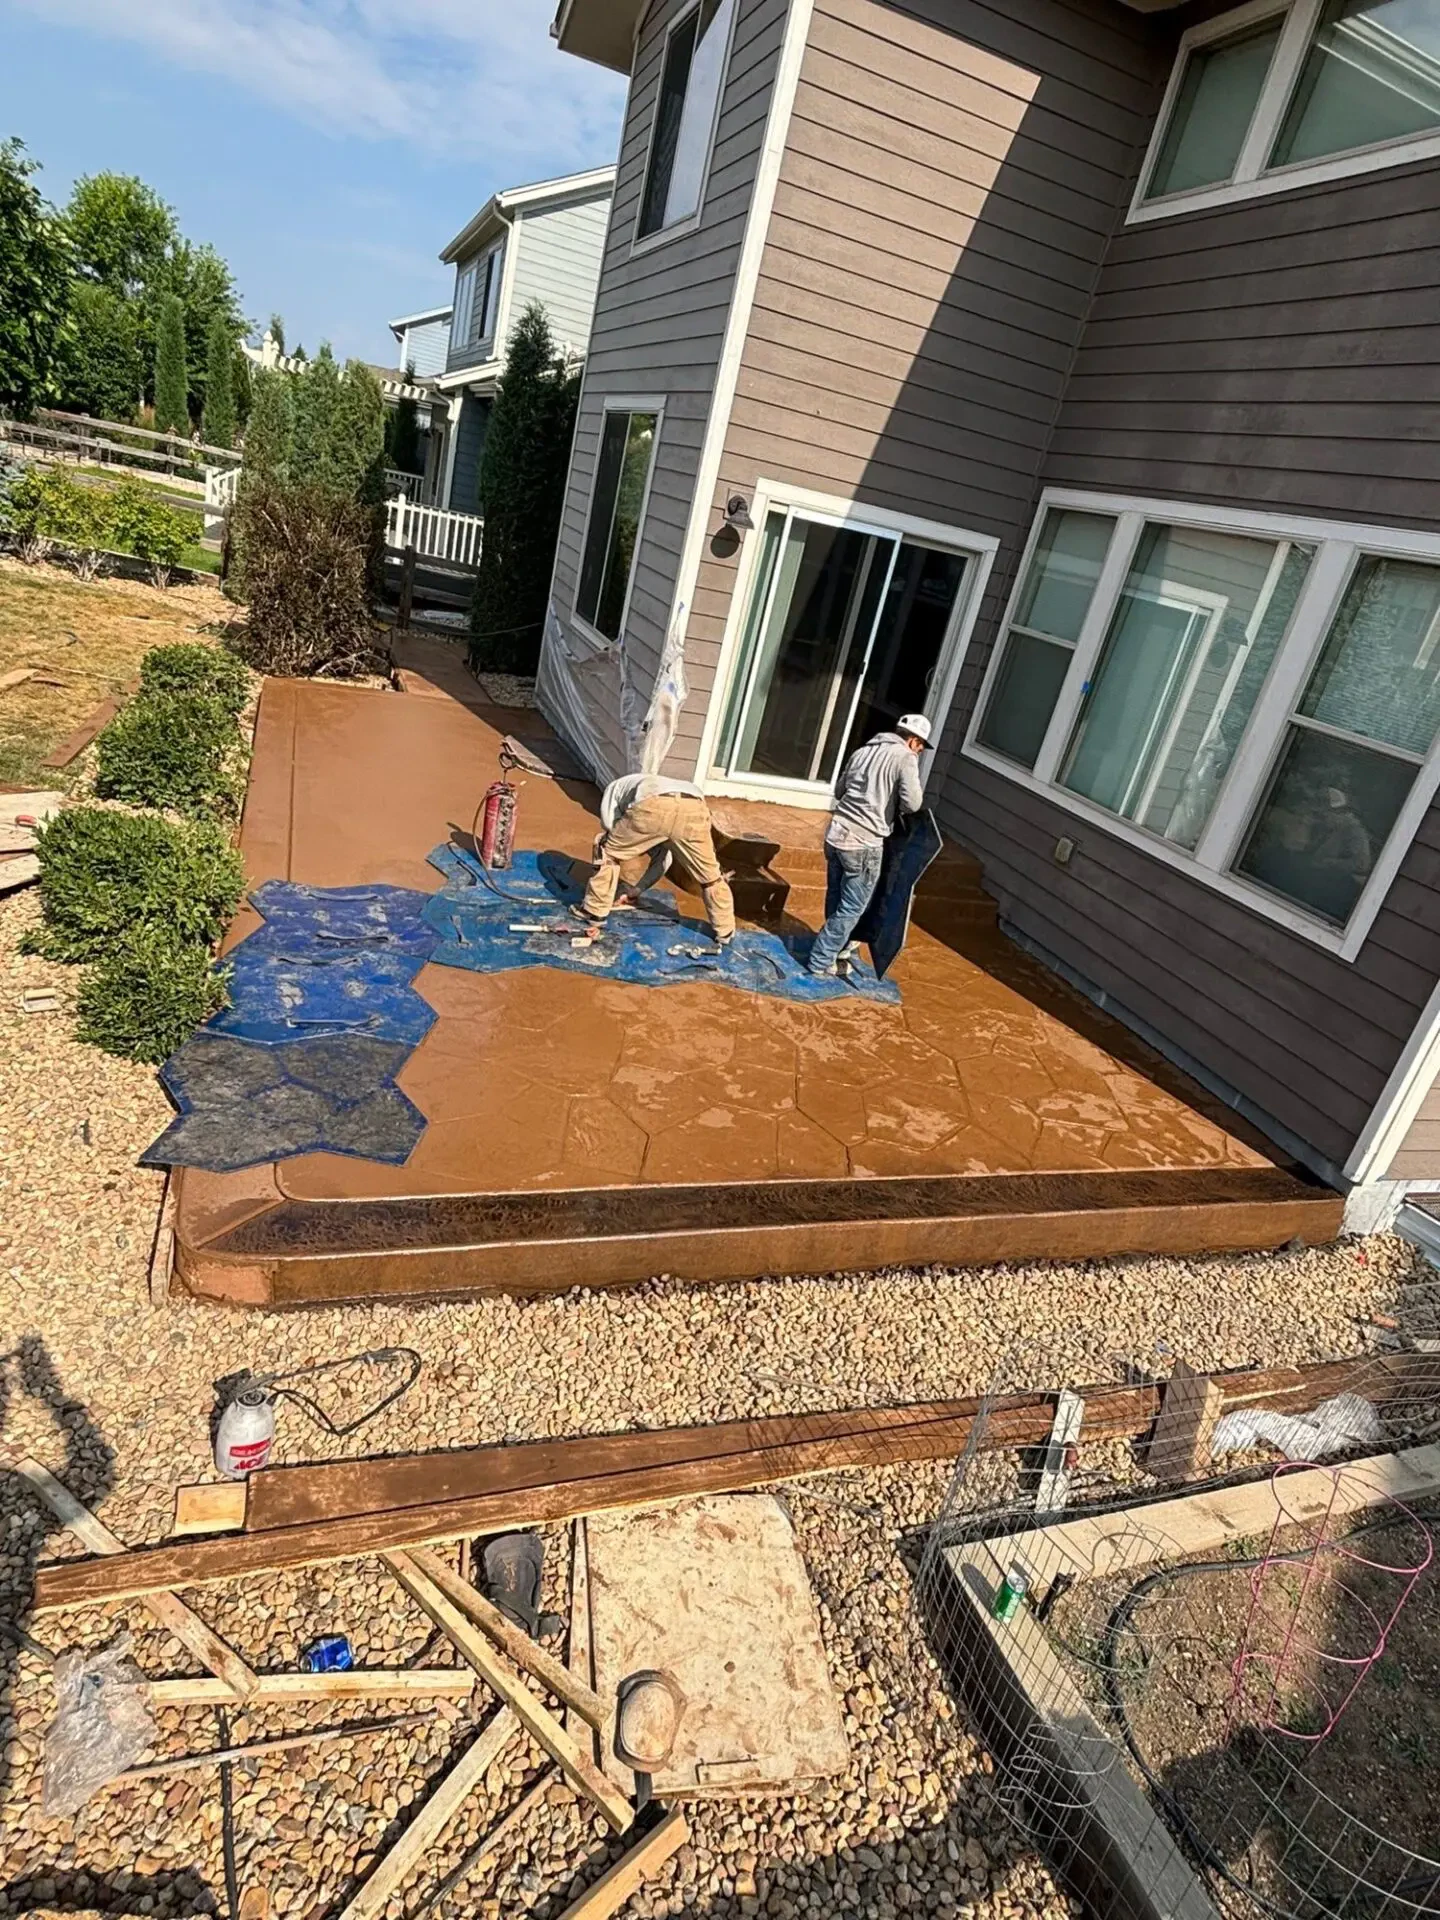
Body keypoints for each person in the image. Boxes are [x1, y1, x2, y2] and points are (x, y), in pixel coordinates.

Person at [808, 714, 930, 977]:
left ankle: (836, 946)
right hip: (864, 841)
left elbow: (840, 791)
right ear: (913, 740)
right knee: (852, 907)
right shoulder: (905, 758)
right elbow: (913, 804)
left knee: (836, 896)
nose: (920, 752)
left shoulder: (863, 751)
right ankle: (820, 960)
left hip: (836, 833)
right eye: (921, 747)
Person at [574, 772, 736, 945]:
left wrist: (629, 848)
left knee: (606, 850)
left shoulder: (614, 790)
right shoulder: (644, 783)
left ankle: (594, 911)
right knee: (711, 877)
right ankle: (725, 931)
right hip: (695, 808)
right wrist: (636, 891)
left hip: (653, 804)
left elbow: (610, 828)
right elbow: (664, 860)